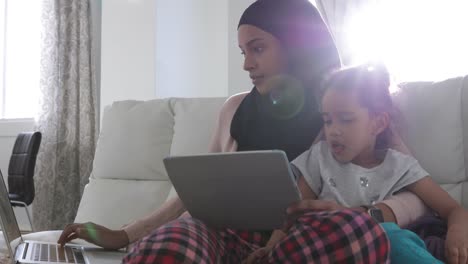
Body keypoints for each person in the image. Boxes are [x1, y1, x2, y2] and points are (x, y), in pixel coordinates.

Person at [58, 0, 431, 262]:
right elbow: (191, 195)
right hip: (221, 233)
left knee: (354, 234)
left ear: (295, 46)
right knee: (172, 246)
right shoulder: (234, 109)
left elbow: (415, 190)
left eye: (257, 49)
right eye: (242, 51)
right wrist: (125, 234)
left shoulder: (344, 110)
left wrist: (370, 214)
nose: (247, 64)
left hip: (297, 241)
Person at [248, 64, 468, 264]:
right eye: (327, 120)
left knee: (392, 238)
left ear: (378, 123)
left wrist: (457, 231)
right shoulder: (319, 157)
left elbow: (452, 209)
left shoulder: (399, 166)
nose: (333, 130)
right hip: (325, 250)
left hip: (376, 251)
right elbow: (293, 212)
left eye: (346, 119)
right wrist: (270, 247)